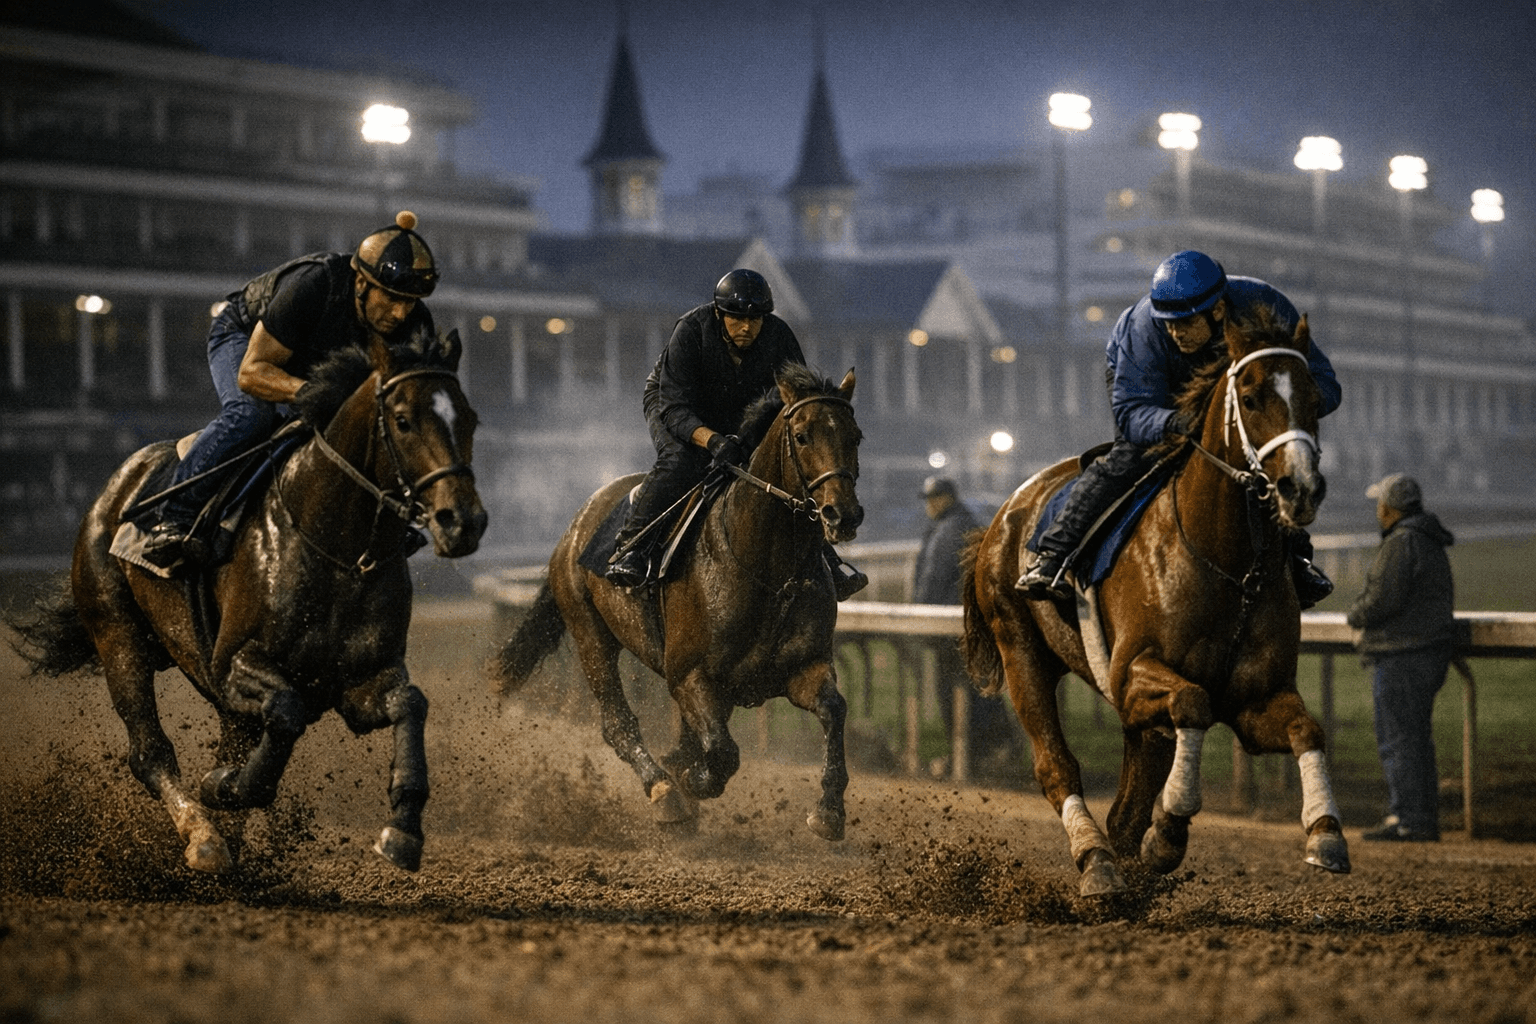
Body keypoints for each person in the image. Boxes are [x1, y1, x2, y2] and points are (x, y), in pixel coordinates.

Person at [1016, 249, 1342, 606]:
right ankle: (1054, 554)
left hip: (1243, 380)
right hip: (1150, 386)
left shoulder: (1266, 306)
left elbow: (1325, 382)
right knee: (1133, 455)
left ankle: (1298, 560)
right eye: (1168, 322)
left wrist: (1292, 410)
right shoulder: (1146, 331)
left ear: (1218, 310)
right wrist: (1180, 422)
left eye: (1185, 322)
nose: (1174, 332)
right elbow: (1132, 413)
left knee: (1259, 464)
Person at [140, 211, 440, 570]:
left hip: (313, 359)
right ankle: (174, 517)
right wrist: (321, 395)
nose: (401, 313)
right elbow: (252, 375)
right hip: (246, 340)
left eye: (409, 301)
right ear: (361, 283)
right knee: (252, 414)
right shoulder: (314, 285)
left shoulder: (415, 323)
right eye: (391, 298)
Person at [605, 268, 867, 599]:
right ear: (719, 313)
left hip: (742, 410)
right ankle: (632, 547)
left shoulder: (779, 335)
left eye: (755, 319)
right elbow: (674, 409)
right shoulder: (691, 330)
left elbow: (791, 401)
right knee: (681, 460)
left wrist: (742, 443)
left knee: (781, 469)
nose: (746, 327)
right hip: (676, 404)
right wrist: (713, 441)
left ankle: (826, 559)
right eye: (736, 319)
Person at [1348, 473, 1458, 842]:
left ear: (1389, 509)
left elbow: (1381, 600)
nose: (1377, 510)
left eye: (1380, 504)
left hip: (1401, 655)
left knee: (1398, 740)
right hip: (1427, 652)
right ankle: (1421, 817)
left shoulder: (1401, 542)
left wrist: (1355, 615)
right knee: (1415, 739)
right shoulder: (1428, 539)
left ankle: (1407, 817)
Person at [913, 476, 1018, 778]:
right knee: (978, 690)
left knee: (957, 693)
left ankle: (974, 759)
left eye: (934, 499)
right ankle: (989, 754)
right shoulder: (963, 523)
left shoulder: (949, 530)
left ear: (947, 498)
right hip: (969, 625)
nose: (929, 505)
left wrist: (920, 618)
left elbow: (933, 579)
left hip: (951, 628)